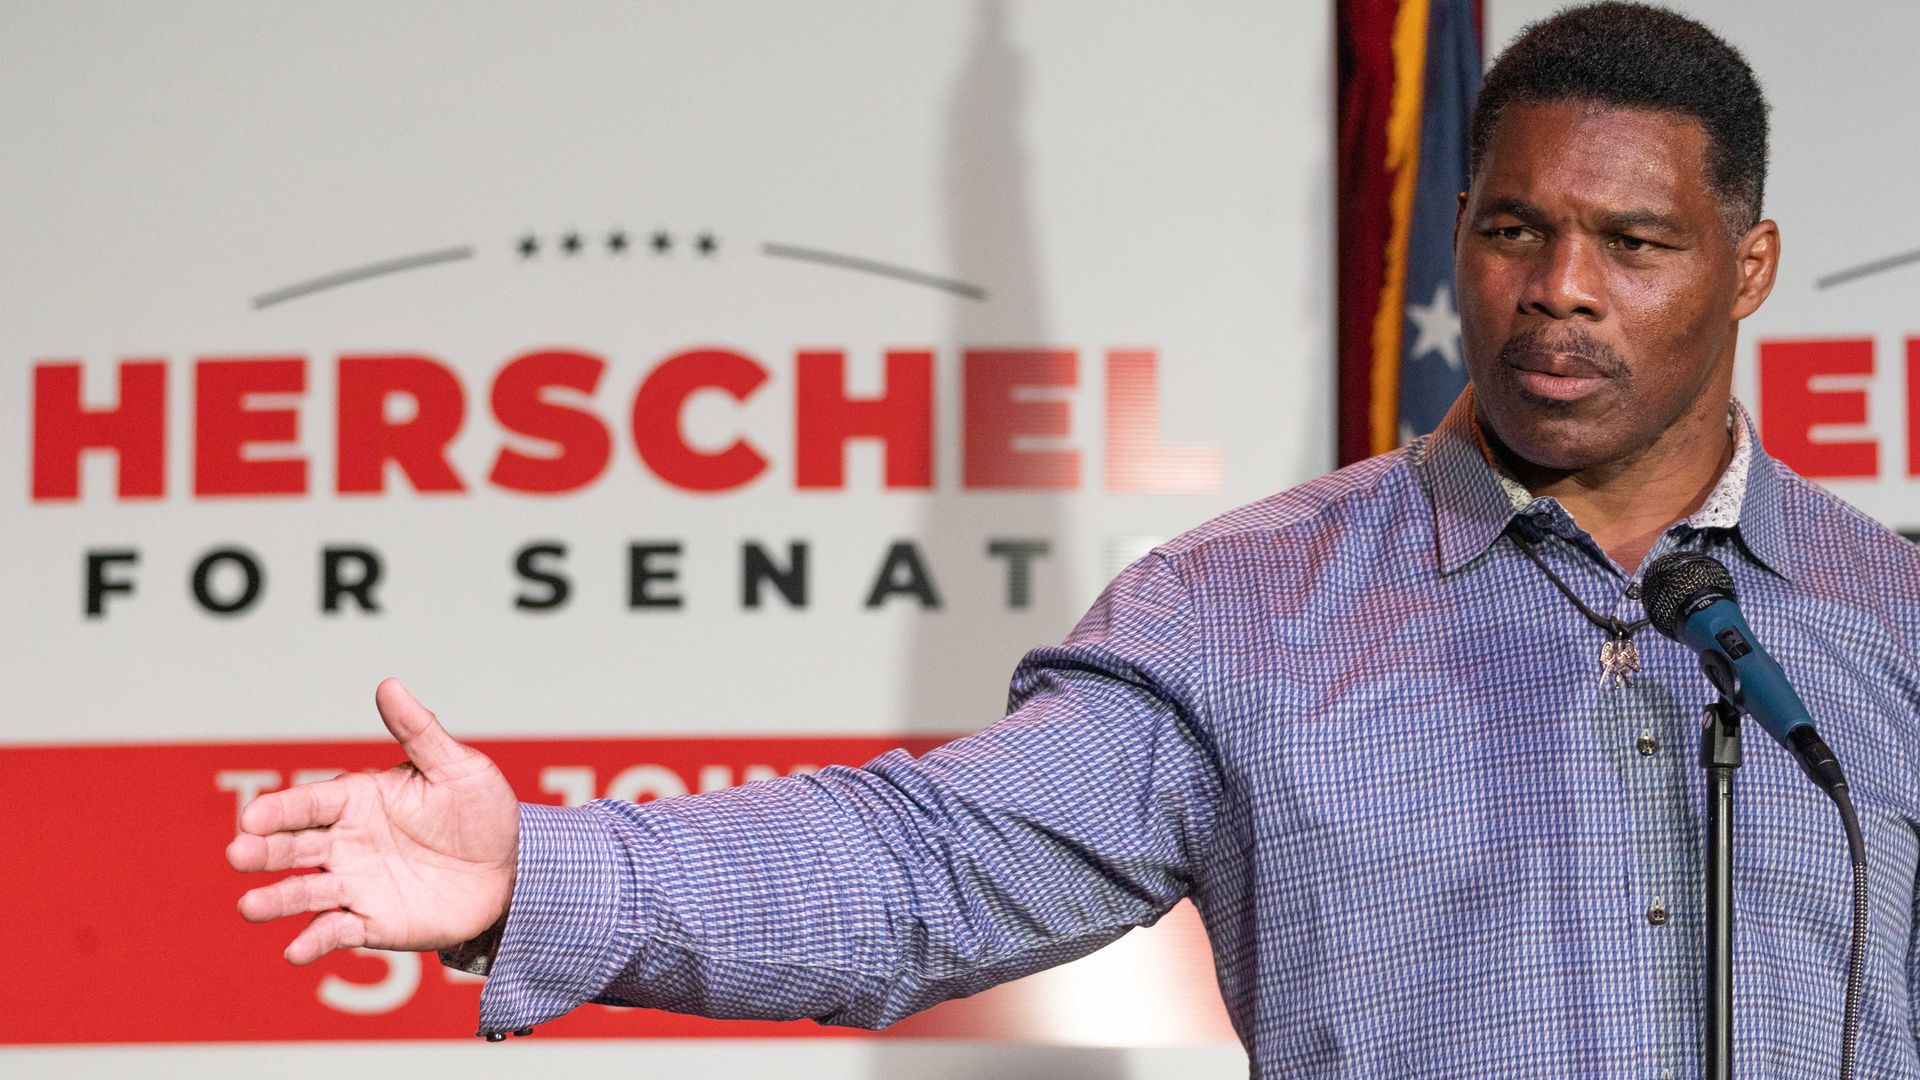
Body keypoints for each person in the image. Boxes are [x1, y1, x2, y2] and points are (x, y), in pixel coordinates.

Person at [228, 3, 1920, 1074]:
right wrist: (537, 875)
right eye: (1514, 230)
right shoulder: (1251, 610)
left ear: (1750, 268)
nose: (1560, 290)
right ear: (1461, 237)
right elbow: (929, 867)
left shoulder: (1891, 617)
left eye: (1634, 244)